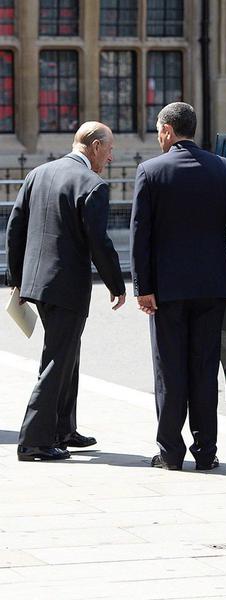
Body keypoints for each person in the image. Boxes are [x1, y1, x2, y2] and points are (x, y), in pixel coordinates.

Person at [130, 102, 226, 471]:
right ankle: (206, 453)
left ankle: (170, 453)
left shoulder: (150, 171)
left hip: (167, 289)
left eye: (157, 130)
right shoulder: (222, 167)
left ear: (168, 130)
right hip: (212, 286)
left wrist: (143, 287)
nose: (157, 136)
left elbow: (141, 235)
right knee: (203, 370)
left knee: (169, 370)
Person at [6, 121, 127, 462]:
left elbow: (16, 227)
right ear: (94, 146)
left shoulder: (38, 174)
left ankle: (63, 428)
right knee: (58, 359)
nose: (112, 155)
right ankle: (34, 440)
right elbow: (99, 243)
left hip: (37, 282)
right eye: (110, 148)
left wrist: (17, 278)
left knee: (67, 352)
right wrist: (117, 285)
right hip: (66, 285)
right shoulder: (92, 184)